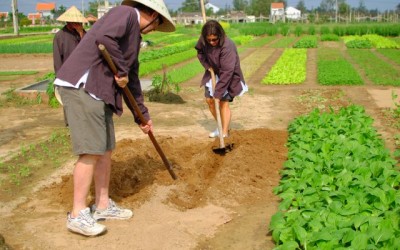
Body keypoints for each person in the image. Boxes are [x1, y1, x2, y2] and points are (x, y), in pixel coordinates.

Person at [53, 0, 175, 237]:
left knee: (105, 149)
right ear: (151, 14)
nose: (153, 30)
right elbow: (104, 38)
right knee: (90, 150)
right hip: (83, 86)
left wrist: (142, 116)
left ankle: (102, 204)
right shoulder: (126, 13)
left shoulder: (134, 39)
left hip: (100, 93)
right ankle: (77, 215)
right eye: (156, 25)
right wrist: (121, 70)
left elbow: (132, 80)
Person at [195, 20, 248, 138]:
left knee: (223, 103)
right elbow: (200, 52)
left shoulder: (228, 46)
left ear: (220, 35)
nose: (211, 42)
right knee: (210, 101)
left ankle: (224, 132)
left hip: (228, 76)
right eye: (209, 40)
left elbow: (227, 72)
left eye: (214, 39)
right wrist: (207, 66)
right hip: (213, 72)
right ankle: (220, 126)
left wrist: (218, 94)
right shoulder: (204, 40)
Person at [53, 5, 87, 125]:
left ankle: (83, 122)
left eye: (78, 22)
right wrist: (59, 76)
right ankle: (70, 123)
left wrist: (81, 33)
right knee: (69, 99)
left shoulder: (84, 34)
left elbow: (87, 49)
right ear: (68, 21)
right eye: (74, 22)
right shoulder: (60, 36)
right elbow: (57, 59)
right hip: (67, 73)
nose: (77, 24)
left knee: (84, 99)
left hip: (83, 73)